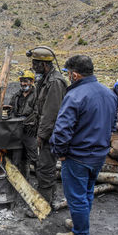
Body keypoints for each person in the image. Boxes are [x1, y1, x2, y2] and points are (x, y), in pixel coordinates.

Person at [50, 55, 117, 235]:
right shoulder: (109, 93)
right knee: (87, 191)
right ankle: (79, 223)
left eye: (69, 73)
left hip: (78, 156)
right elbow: (112, 126)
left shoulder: (74, 95)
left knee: (76, 196)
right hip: (98, 155)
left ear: (75, 74)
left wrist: (60, 153)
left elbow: (62, 130)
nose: (69, 77)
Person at [29, 46, 67, 204]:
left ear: (44, 65)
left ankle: (42, 204)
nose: (33, 68)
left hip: (51, 132)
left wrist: (41, 135)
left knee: (45, 167)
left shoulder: (55, 82)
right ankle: (50, 198)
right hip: (47, 130)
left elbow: (51, 113)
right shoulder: (44, 80)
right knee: (46, 166)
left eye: (36, 65)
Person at [8, 70, 38, 179]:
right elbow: (11, 109)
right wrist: (11, 116)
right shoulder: (17, 95)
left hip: (30, 131)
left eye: (25, 81)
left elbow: (37, 112)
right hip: (16, 130)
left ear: (32, 82)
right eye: (21, 81)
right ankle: (23, 180)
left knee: (35, 158)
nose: (23, 84)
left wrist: (28, 122)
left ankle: (43, 185)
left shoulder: (37, 95)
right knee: (19, 157)